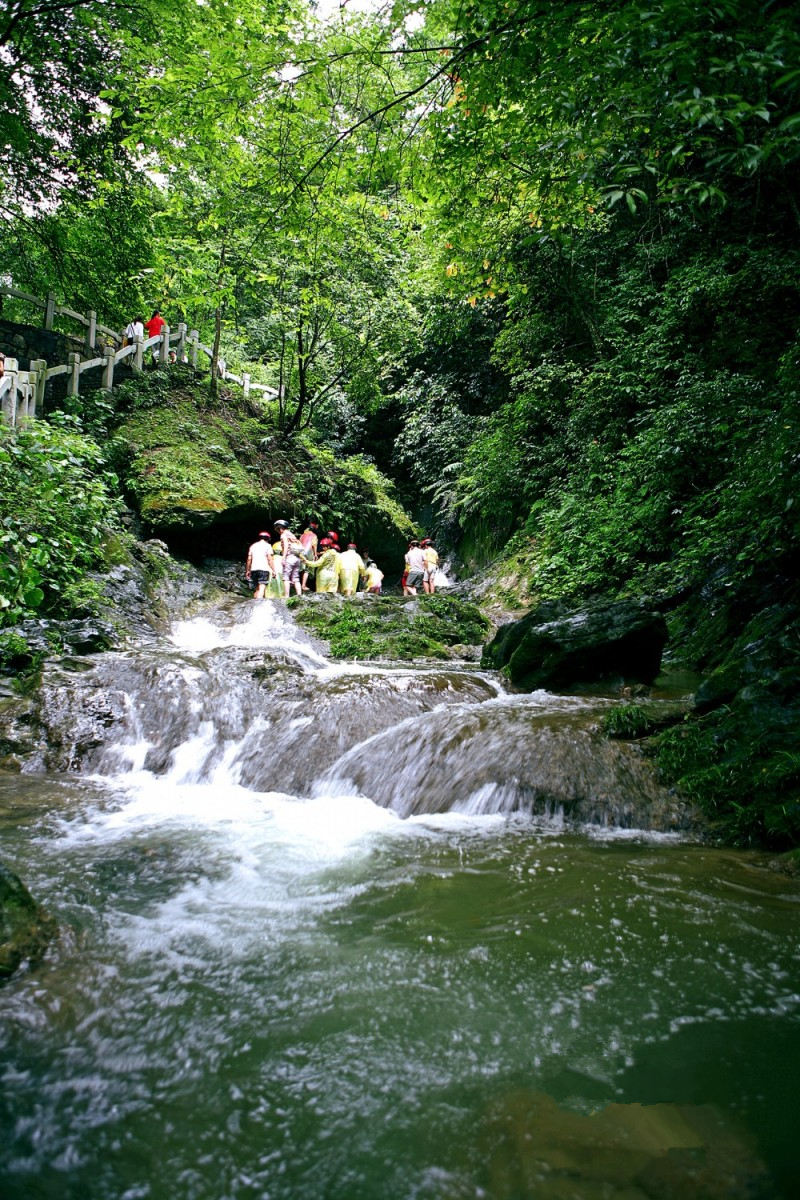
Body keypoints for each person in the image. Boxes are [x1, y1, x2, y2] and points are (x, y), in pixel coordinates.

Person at [274, 519, 304, 597]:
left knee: (286, 577)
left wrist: (283, 558)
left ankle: (286, 597)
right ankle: (299, 596)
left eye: (278, 529)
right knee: (296, 578)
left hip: (289, 557)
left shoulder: (283, 535)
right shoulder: (292, 535)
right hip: (297, 558)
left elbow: (286, 546)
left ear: (280, 528)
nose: (278, 531)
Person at [245, 531, 274, 600]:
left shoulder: (253, 546)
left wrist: (248, 570)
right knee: (262, 587)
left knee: (257, 589)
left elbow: (249, 559)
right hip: (264, 569)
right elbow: (270, 559)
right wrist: (273, 570)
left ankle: (255, 603)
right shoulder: (268, 546)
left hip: (254, 569)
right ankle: (259, 604)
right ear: (267, 539)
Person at [299, 520, 319, 592]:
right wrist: (315, 554)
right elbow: (314, 545)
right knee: (307, 570)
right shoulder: (314, 536)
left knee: (300, 569)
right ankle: (303, 585)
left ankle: (298, 584)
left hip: (301, 552)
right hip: (309, 552)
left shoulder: (302, 535)